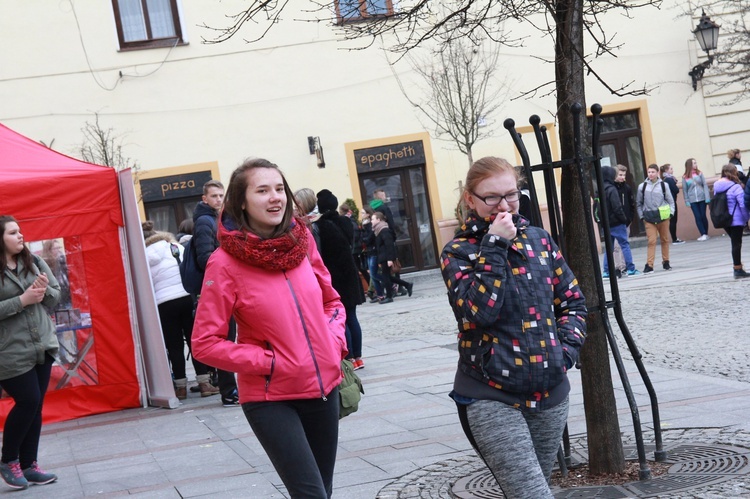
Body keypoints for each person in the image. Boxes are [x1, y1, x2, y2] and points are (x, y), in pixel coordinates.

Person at [191, 158, 347, 498]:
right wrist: (271, 362)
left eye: (279, 189)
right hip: (271, 398)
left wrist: (332, 343)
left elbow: (332, 303)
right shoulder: (224, 263)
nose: (275, 197)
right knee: (311, 495)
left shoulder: (303, 242)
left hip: (324, 388)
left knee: (324, 490)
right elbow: (204, 343)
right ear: (241, 201)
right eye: (262, 190)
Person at [439, 157, 586, 498]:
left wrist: (561, 354)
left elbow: (573, 303)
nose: (503, 205)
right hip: (491, 395)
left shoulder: (539, 240)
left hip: (550, 393)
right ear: (470, 199)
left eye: (512, 195)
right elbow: (479, 312)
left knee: (530, 491)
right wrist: (495, 244)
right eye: (492, 197)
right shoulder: (458, 252)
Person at [0, 216, 60, 490]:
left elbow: (56, 296)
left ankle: (29, 464)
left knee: (35, 405)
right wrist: (21, 301)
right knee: (28, 401)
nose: (20, 236)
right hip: (9, 350)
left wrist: (43, 288)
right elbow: (21, 302)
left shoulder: (33, 261)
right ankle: (8, 460)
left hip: (42, 344)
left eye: (20, 230)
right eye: (13, 232)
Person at [142, 221, 218, 400]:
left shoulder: (142, 257)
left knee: (174, 346)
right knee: (194, 341)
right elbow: (188, 269)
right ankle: (204, 383)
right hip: (185, 297)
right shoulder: (173, 246)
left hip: (163, 304)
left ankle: (181, 388)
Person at [192, 180, 239, 407]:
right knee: (224, 338)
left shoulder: (216, 219)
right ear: (205, 199)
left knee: (229, 336)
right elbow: (204, 257)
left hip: (223, 285)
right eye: (214, 196)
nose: (219, 200)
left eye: (221, 195)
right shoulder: (204, 221)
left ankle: (230, 388)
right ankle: (229, 391)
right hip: (216, 287)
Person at [315, 189, 366, 370]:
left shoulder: (320, 226)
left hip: (334, 276)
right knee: (352, 316)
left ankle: (350, 356)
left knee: (340, 318)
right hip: (350, 272)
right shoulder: (345, 222)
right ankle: (359, 357)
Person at [601, 166, 640, 277]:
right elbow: (617, 207)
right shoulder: (612, 189)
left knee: (609, 247)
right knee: (624, 244)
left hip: (606, 223)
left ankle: (606, 271)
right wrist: (624, 219)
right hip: (617, 222)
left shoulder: (600, 188)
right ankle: (631, 268)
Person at [712, 165, 750, 279]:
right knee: (736, 244)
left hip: (724, 219)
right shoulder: (736, 187)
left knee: (735, 243)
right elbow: (742, 205)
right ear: (734, 173)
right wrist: (746, 218)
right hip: (736, 219)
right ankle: (737, 269)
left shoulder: (717, 186)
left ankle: (738, 267)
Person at [637, 164, 675, 273]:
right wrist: (642, 216)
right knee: (651, 241)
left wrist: (671, 213)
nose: (651, 174)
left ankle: (666, 261)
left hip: (663, 216)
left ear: (657, 172)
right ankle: (649, 264)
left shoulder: (664, 185)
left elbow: (670, 201)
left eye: (653, 172)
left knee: (664, 239)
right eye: (649, 172)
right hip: (649, 217)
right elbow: (638, 203)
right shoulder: (642, 186)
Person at [370, 189, 406, 296]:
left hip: (377, 240)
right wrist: (393, 236)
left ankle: (385, 288)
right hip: (387, 237)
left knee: (382, 268)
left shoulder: (372, 208)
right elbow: (391, 222)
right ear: (380, 197)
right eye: (384, 195)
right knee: (393, 264)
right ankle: (399, 287)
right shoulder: (384, 208)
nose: (386, 197)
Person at [372, 211, 413, 304]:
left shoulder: (384, 230)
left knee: (386, 277)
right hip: (383, 256)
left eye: (373, 219)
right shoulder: (378, 230)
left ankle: (389, 296)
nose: (371, 221)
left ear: (378, 219)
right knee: (386, 276)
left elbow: (389, 245)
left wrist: (390, 259)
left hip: (386, 257)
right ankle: (407, 284)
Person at [682, 158, 711, 241]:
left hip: (702, 198)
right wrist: (687, 201)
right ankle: (703, 233)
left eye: (695, 163)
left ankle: (706, 233)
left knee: (703, 216)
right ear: (689, 165)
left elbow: (705, 185)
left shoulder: (699, 173)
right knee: (697, 217)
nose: (696, 164)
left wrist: (707, 197)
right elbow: (685, 190)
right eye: (694, 163)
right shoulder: (685, 177)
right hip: (692, 200)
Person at [360, 206, 384, 302]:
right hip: (369, 251)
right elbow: (362, 237)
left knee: (373, 274)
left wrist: (364, 240)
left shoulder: (370, 225)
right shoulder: (364, 225)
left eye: (363, 213)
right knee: (373, 274)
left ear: (368, 214)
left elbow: (370, 238)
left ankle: (389, 283)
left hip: (373, 251)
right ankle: (379, 294)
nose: (361, 215)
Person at [40, 239, 71, 310]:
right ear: (49, 250)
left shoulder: (62, 260)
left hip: (66, 295)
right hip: (54, 297)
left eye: (59, 248)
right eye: (56, 248)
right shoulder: (45, 264)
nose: (58, 250)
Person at [659, 163, 685, 244]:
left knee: (668, 221)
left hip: (665, 203)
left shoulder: (663, 180)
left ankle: (672, 238)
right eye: (671, 169)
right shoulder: (669, 180)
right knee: (673, 221)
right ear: (666, 170)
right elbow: (676, 190)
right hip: (672, 202)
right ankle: (674, 239)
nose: (672, 170)